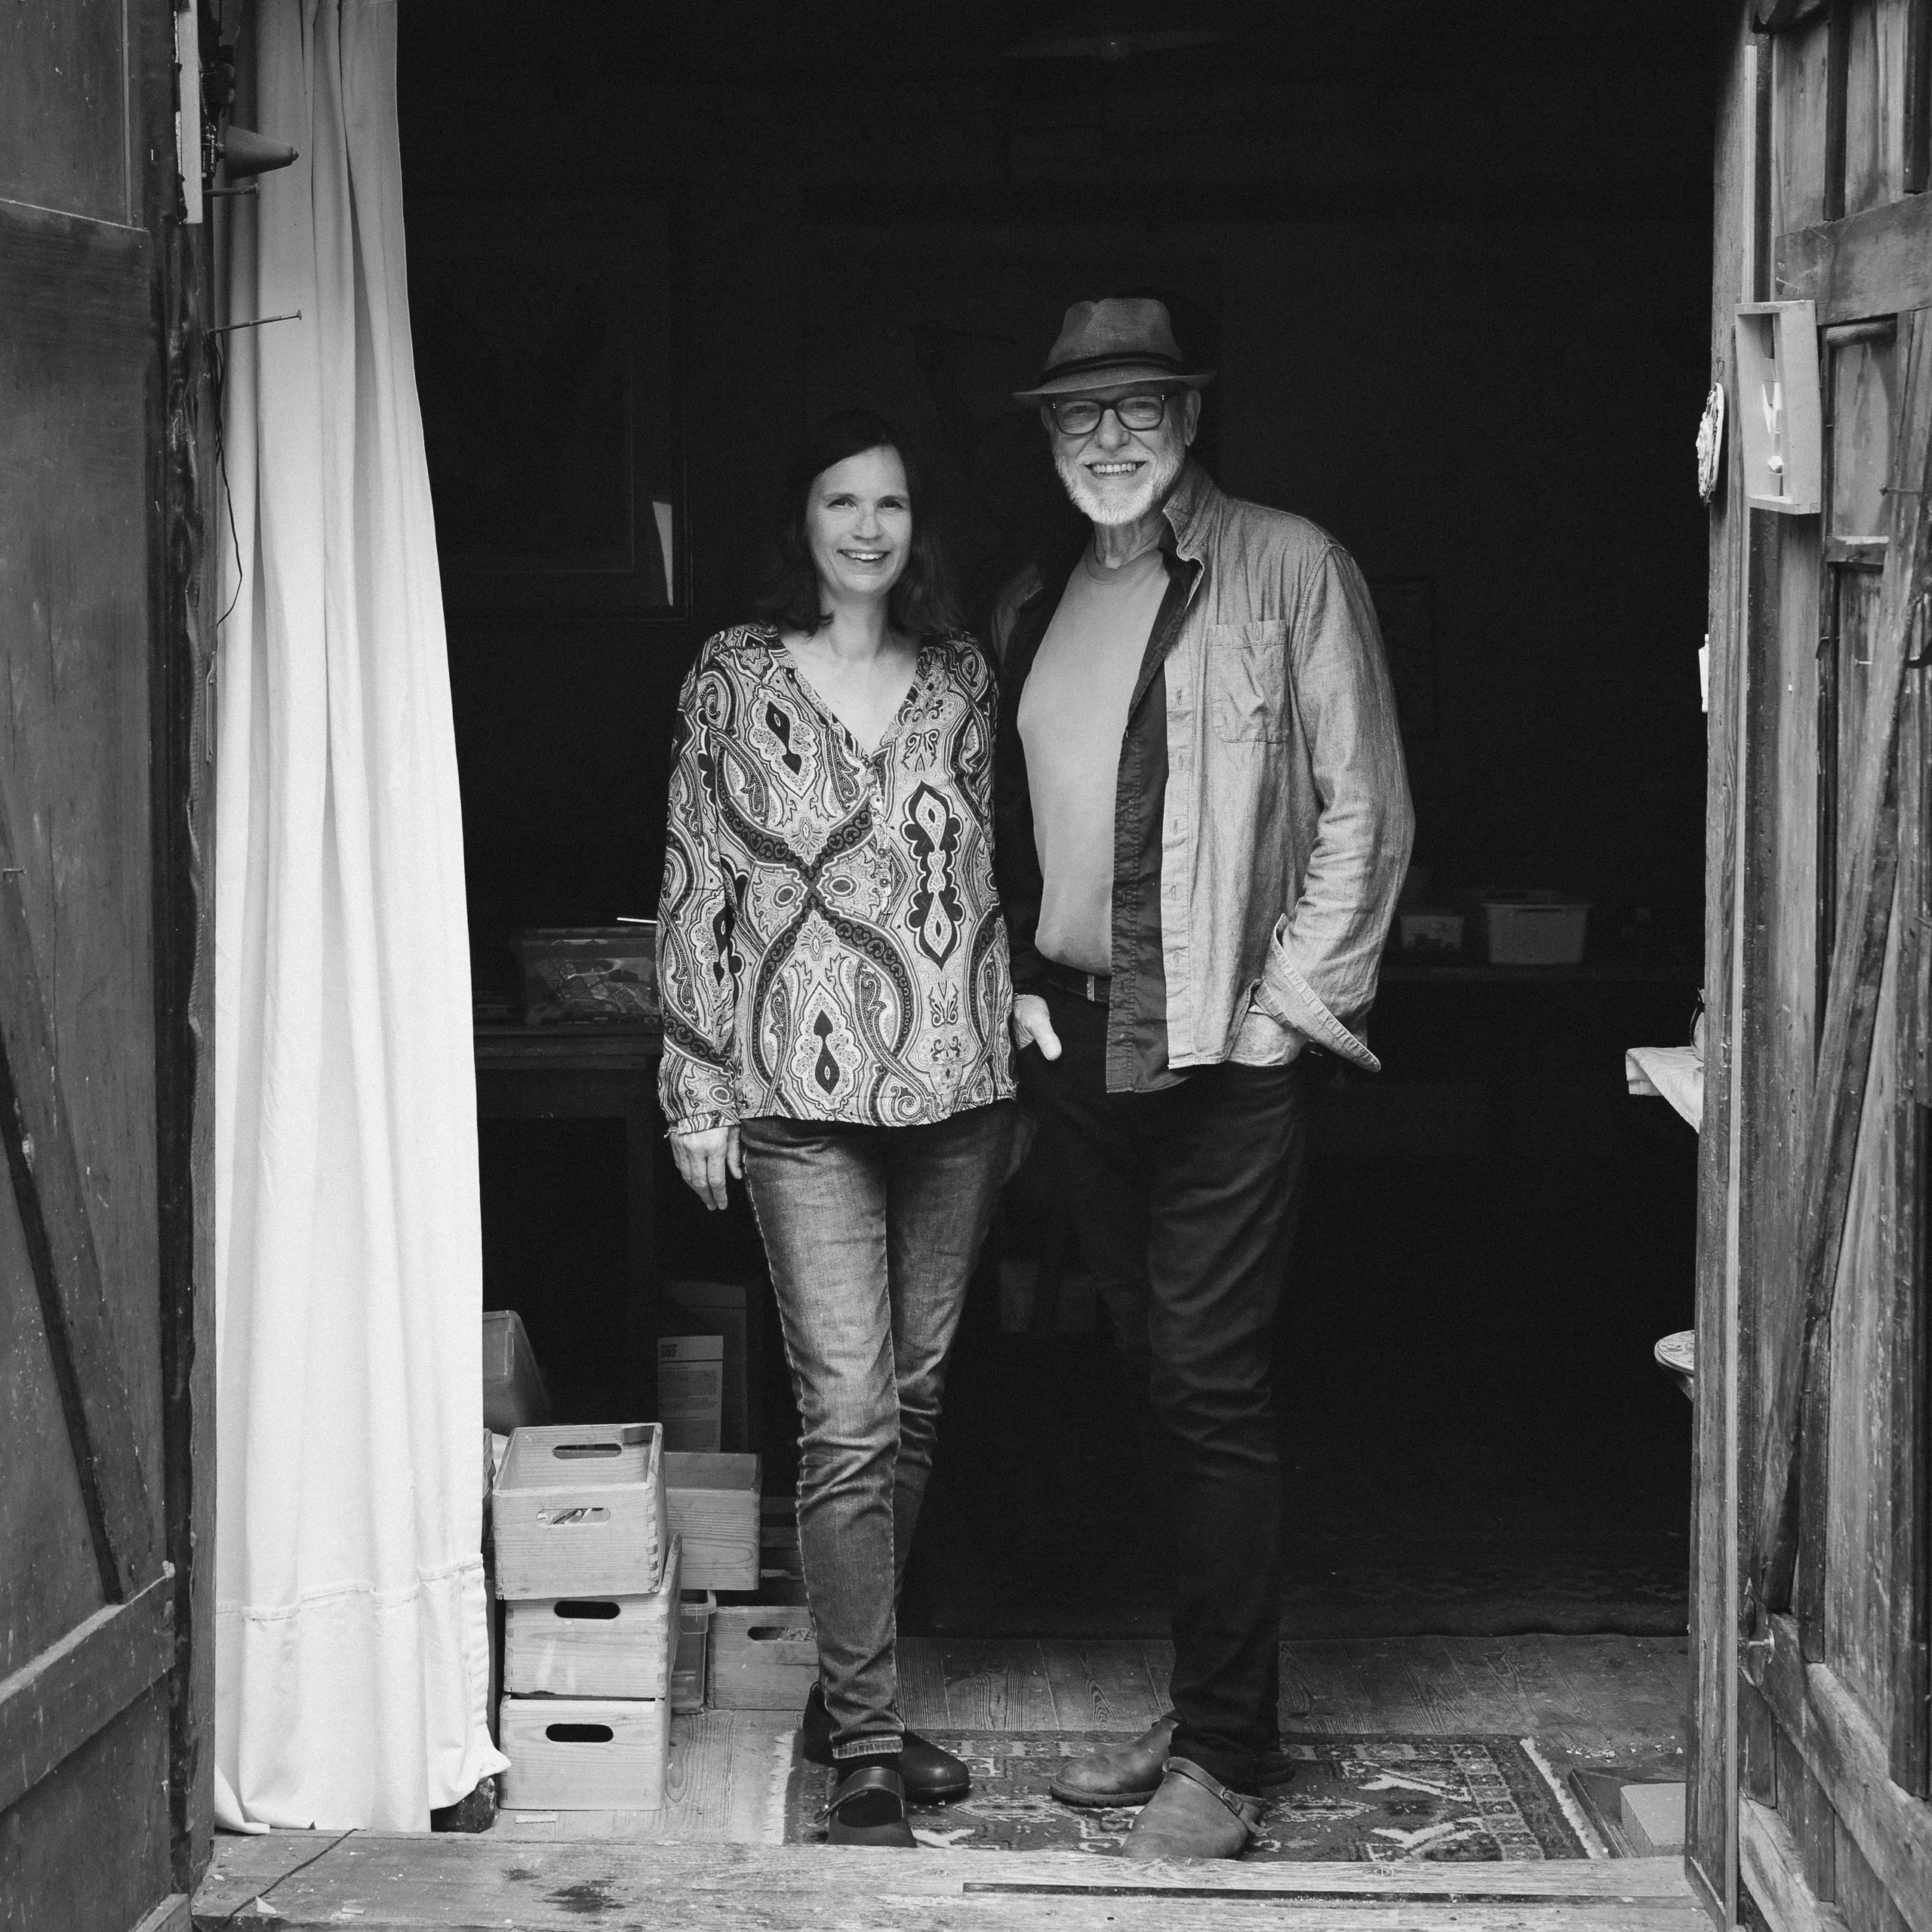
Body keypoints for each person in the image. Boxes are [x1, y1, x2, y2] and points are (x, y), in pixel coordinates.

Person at [992, 299, 1413, 1859]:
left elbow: (1365, 808)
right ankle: (1199, 1707)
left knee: (1208, 1382)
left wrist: (1283, 1013)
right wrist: (1023, 994)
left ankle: (1226, 1757)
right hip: (1086, 1049)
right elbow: (996, 813)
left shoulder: (1288, 565)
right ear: (1045, 438)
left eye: (1135, 410)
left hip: (1228, 1049)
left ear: (1186, 416)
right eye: (1075, 417)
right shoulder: (1034, 596)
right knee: (1155, 1378)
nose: (1106, 440)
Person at [657, 409, 1016, 1848]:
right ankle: (866, 1741)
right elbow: (694, 883)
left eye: (892, 504)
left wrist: (1026, 1006)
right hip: (795, 1100)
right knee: (848, 1410)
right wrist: (696, 1083)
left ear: (918, 529)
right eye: (842, 501)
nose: (869, 527)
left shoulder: (961, 681)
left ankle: (842, 1688)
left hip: (956, 1088)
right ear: (799, 521)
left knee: (912, 1404)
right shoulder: (737, 678)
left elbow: (990, 867)